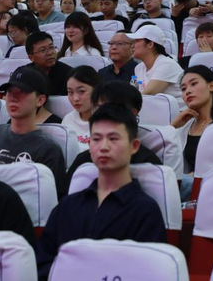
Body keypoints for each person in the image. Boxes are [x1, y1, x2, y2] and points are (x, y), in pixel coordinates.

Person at [36, 104, 166, 280]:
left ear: (134, 146)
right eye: (96, 139)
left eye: (113, 139)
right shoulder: (67, 206)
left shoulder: (145, 210)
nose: (103, 147)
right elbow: (43, 265)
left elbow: (148, 273)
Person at [0, 68, 66, 196]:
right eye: (10, 91)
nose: (13, 98)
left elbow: (49, 199)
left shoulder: (48, 149)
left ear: (40, 100)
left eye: (22, 92)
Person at [66, 82, 162, 180]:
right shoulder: (83, 161)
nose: (105, 114)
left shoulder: (149, 165)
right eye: (99, 108)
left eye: (113, 138)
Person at [127, 24, 183, 103]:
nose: (132, 46)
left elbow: (148, 94)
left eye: (136, 41)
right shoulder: (138, 68)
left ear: (150, 44)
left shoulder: (167, 64)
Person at [21, 31, 72, 96]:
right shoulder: (24, 74)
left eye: (51, 47)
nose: (50, 53)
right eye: (43, 50)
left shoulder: (68, 74)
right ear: (31, 57)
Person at [62, 66, 100, 150]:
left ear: (96, 89)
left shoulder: (107, 119)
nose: (75, 98)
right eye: (70, 92)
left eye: (81, 91)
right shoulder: (68, 120)